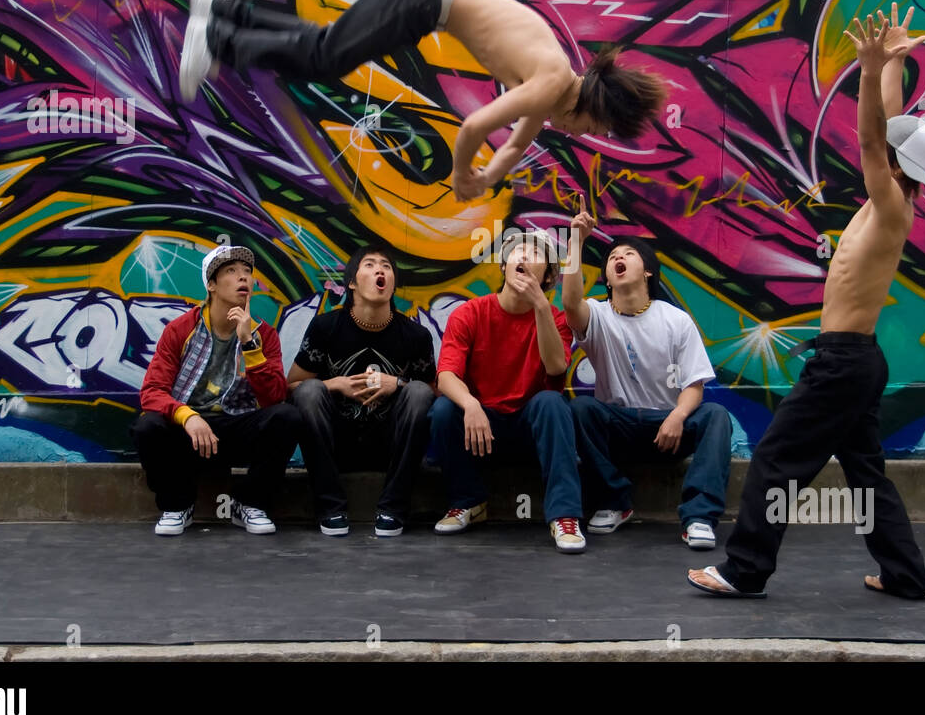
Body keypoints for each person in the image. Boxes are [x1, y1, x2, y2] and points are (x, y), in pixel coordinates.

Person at [688, 4, 925, 600]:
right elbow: (894, 128)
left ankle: (745, 570)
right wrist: (895, 61)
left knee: (775, 458)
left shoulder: (889, 200)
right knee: (866, 475)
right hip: (856, 359)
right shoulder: (894, 200)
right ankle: (907, 576)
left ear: (899, 165)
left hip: (843, 362)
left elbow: (873, 137)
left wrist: (868, 69)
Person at [176, 0, 667, 200]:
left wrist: (487, 178)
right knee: (325, 58)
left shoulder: (553, 93)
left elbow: (515, 145)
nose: (586, 136)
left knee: (324, 42)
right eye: (596, 130)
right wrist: (459, 174)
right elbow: (474, 128)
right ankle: (218, 41)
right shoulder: (553, 82)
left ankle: (223, 9)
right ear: (597, 108)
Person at [562, 213, 732, 549]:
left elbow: (693, 385)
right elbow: (570, 302)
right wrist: (577, 241)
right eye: (612, 258)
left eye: (628, 254)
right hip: (619, 426)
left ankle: (699, 517)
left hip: (669, 427)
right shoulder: (596, 315)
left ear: (648, 271)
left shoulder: (676, 320)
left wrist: (677, 417)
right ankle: (614, 502)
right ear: (607, 279)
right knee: (580, 409)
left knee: (715, 416)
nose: (618, 259)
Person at [427, 230, 585, 552]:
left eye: (535, 255)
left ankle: (564, 516)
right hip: (481, 430)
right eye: (516, 252)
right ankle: (468, 502)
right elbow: (445, 377)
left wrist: (540, 305)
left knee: (552, 402)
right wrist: (470, 404)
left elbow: (556, 368)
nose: (524, 257)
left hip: (531, 429)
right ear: (503, 266)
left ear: (549, 276)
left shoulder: (556, 319)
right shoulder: (470, 313)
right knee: (444, 409)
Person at [133, 244, 298, 536]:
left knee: (287, 417)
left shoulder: (264, 335)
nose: (242, 278)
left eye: (247, 272)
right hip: (190, 434)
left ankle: (249, 503)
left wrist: (249, 344)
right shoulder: (181, 330)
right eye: (232, 272)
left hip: (237, 428)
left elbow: (274, 397)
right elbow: (152, 392)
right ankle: (177, 505)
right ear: (211, 285)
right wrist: (187, 416)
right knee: (147, 426)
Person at [287, 244, 436, 537]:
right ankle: (330, 508)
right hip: (338, 442)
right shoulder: (325, 328)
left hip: (389, 443)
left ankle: (393, 509)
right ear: (352, 282)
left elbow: (431, 392)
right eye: (369, 264)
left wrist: (398, 384)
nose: (380, 270)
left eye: (387, 266)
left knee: (418, 393)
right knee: (309, 392)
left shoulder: (415, 336)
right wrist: (337, 384)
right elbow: (292, 387)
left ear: (393, 283)